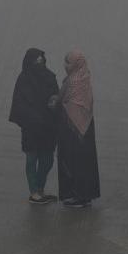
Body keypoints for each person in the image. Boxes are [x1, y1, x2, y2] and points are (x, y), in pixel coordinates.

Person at [8, 48, 60, 204]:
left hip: (48, 127)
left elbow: (56, 96)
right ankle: (34, 192)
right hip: (31, 127)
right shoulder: (23, 79)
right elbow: (19, 104)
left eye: (41, 61)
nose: (39, 64)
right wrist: (31, 118)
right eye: (36, 61)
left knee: (47, 160)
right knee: (32, 158)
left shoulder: (50, 77)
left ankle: (40, 188)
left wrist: (54, 105)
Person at [56, 49, 100, 208]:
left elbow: (63, 100)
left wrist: (55, 102)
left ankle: (78, 196)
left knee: (74, 162)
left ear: (76, 64)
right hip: (86, 126)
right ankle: (85, 194)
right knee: (85, 162)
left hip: (72, 128)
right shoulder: (84, 77)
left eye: (69, 62)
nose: (66, 65)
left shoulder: (73, 81)